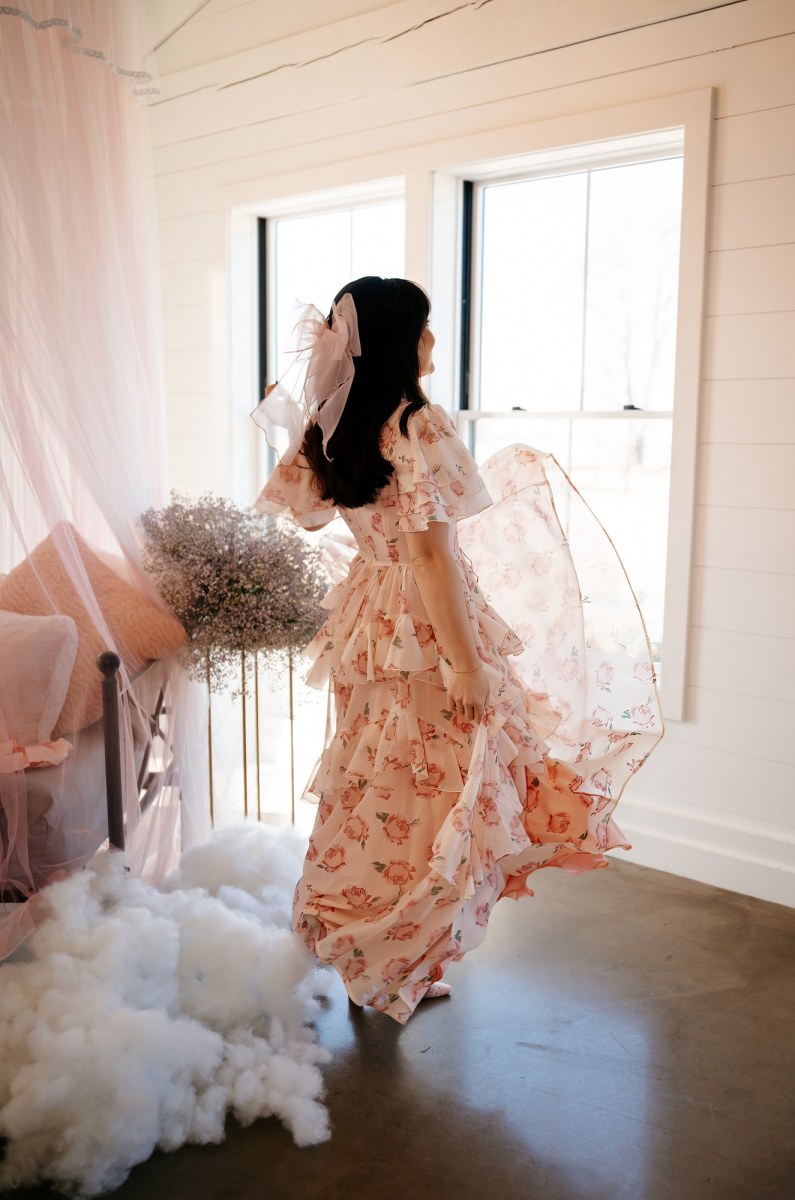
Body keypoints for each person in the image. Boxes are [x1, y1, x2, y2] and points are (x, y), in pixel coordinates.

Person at [255, 275, 663, 1025]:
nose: (432, 340)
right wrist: (466, 664)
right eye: (423, 327)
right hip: (421, 618)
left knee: (379, 779)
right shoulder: (418, 423)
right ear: (396, 343)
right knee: (436, 785)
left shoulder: (333, 427)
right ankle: (387, 953)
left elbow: (310, 515)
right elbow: (432, 557)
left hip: (370, 615)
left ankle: (372, 946)